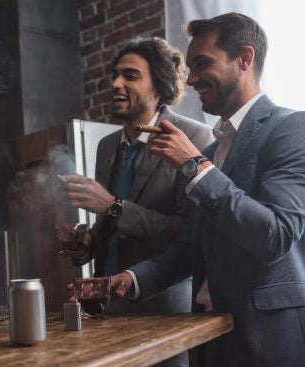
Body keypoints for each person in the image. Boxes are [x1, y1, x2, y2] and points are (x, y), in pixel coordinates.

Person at [110, 13, 305, 366]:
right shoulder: (214, 151)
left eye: (202, 64)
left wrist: (195, 167)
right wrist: (133, 279)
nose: (193, 78)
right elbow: (192, 247)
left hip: (266, 340)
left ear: (245, 58)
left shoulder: (291, 128)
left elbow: (275, 235)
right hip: (209, 341)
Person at [56, 37, 212, 367]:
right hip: (105, 315)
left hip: (162, 317)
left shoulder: (195, 138)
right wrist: (84, 245)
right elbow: (110, 229)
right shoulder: (107, 145)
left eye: (130, 75)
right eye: (115, 75)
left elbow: (185, 236)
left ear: (160, 84)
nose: (115, 83)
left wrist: (113, 205)